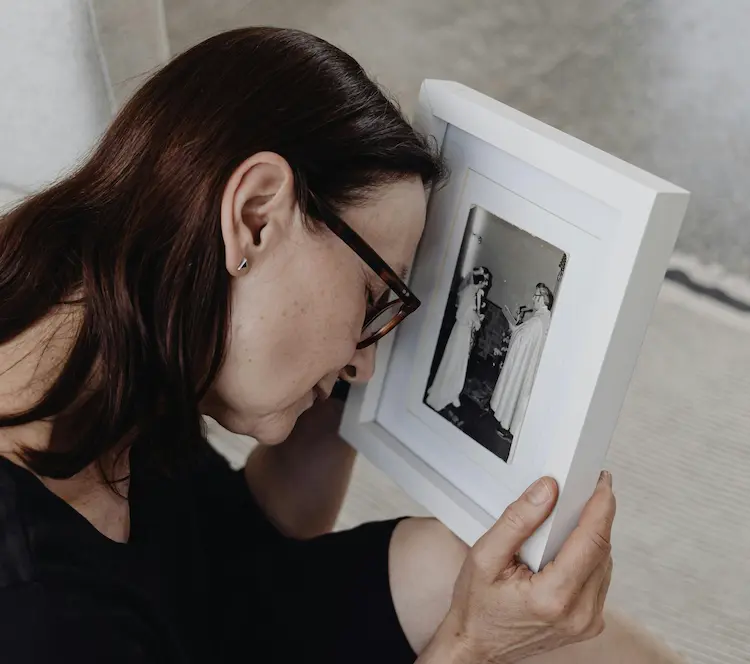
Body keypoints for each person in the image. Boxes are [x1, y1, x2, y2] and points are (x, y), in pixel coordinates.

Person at [0, 27, 680, 664]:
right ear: (255, 217)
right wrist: (471, 645)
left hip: (206, 624)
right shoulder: (37, 608)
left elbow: (248, 551)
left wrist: (335, 377)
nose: (367, 359)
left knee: (470, 566)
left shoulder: (115, 320)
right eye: (370, 295)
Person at [491, 283, 554, 439]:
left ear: (542, 299)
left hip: (525, 365)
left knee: (515, 391)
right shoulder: (545, 317)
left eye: (536, 295)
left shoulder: (536, 321)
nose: (532, 298)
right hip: (533, 364)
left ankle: (506, 427)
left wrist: (514, 328)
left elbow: (522, 341)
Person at [426, 267, 491, 411]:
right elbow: (466, 312)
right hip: (462, 331)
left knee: (458, 362)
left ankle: (453, 391)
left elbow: (470, 311)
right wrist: (477, 321)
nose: (486, 283)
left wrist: (477, 318)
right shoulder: (470, 292)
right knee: (455, 361)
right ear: (480, 280)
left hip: (463, 330)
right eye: (485, 280)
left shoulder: (473, 291)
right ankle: (446, 392)